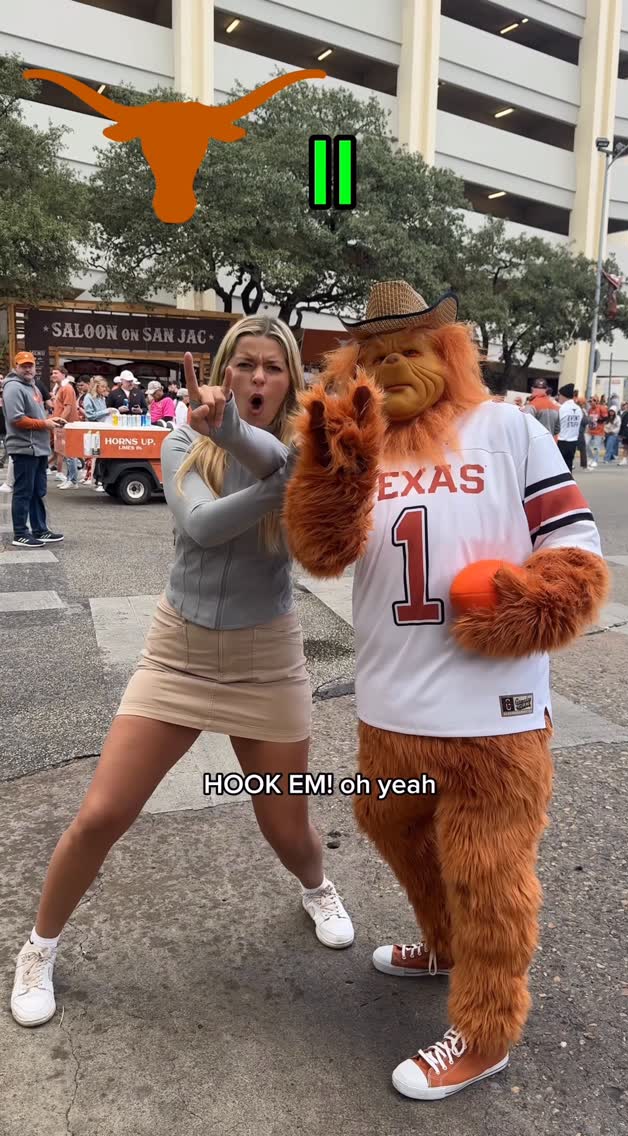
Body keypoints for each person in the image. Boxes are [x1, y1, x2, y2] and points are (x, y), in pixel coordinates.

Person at [10, 317, 354, 1029]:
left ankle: (317, 887)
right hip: (178, 652)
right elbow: (200, 526)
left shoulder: (300, 451)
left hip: (268, 657)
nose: (259, 379)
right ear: (224, 372)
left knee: (287, 830)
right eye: (246, 365)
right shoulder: (181, 441)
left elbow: (317, 508)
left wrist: (286, 468)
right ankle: (38, 947)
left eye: (274, 367)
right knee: (102, 813)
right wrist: (270, 471)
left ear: (291, 380)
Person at [1, 351, 65, 547]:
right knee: (23, 491)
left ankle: (40, 530)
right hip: (24, 447)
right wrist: (45, 424)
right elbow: (16, 419)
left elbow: (36, 416)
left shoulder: (33, 387)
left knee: (37, 491)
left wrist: (49, 421)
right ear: (16, 367)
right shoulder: (13, 387)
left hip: (37, 448)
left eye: (30, 365)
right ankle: (20, 533)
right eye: (23, 365)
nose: (28, 368)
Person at [82, 376, 111, 492]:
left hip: (102, 428)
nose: (104, 389)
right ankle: (96, 480)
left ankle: (100, 480)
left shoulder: (101, 398)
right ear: (96, 386)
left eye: (105, 386)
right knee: (94, 456)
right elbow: (90, 415)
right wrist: (106, 411)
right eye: (102, 386)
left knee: (102, 456)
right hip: (93, 429)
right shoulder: (88, 398)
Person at [53, 374, 80, 490]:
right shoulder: (62, 388)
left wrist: (60, 421)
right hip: (65, 423)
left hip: (67, 424)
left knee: (70, 453)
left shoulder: (67, 388)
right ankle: (70, 478)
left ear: (63, 374)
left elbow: (68, 408)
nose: (53, 375)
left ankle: (73, 480)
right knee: (67, 453)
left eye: (55, 373)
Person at [556, 383, 582, 470]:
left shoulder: (561, 408)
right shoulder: (578, 409)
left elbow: (556, 425)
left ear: (563, 396)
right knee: (568, 467)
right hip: (573, 442)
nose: (558, 397)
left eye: (559, 395)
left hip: (562, 441)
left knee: (559, 468)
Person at [586, 395, 607, 467]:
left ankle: (595, 460)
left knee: (596, 446)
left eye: (592, 401)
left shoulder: (601, 408)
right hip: (590, 430)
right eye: (590, 402)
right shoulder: (590, 410)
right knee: (585, 444)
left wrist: (598, 420)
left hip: (598, 431)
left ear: (596, 401)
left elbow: (605, 418)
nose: (590, 403)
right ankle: (591, 457)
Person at [576, 395, 589, 470]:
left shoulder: (582, 410)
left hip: (578, 431)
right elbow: (585, 421)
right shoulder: (581, 410)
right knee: (582, 448)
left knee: (578, 448)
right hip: (579, 431)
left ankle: (584, 464)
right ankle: (584, 464)